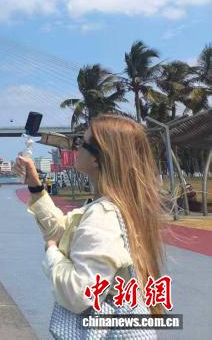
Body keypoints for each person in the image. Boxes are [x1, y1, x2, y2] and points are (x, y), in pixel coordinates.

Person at [15, 115, 167, 318]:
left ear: (97, 158)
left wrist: (52, 252)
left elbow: (79, 294)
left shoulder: (103, 216)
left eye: (82, 142)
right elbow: (63, 231)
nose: (76, 147)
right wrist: (35, 185)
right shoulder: (120, 206)